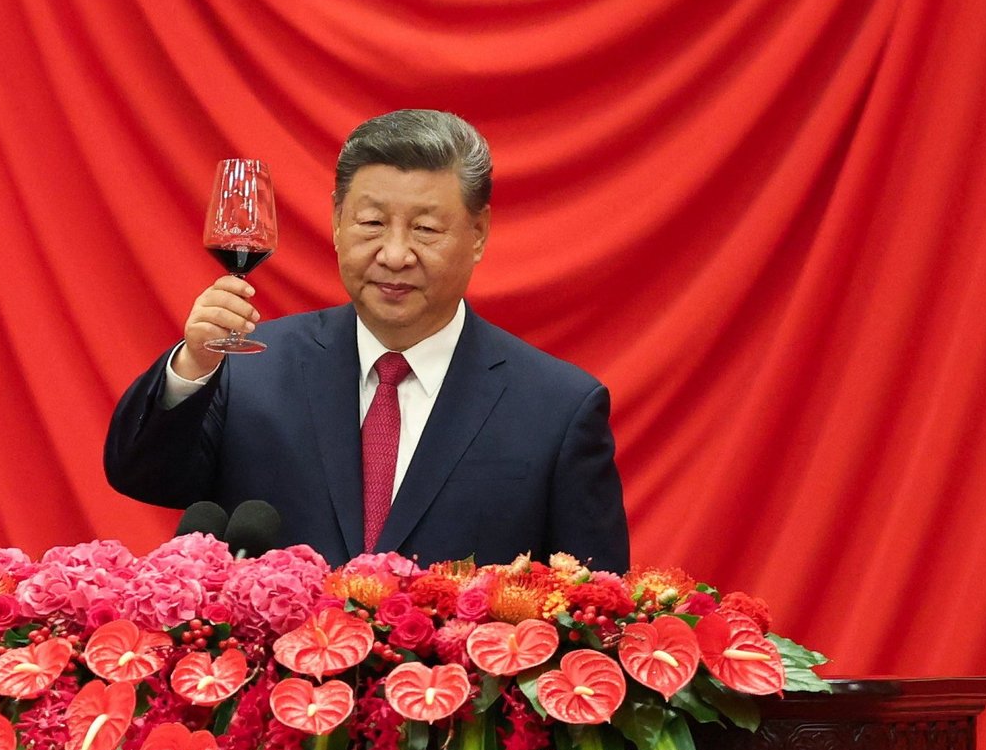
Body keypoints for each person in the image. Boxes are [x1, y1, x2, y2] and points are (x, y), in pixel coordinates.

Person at [105, 109, 629, 571]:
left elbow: (594, 609)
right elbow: (144, 478)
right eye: (372, 222)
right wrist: (194, 366)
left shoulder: (557, 410)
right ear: (337, 222)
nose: (395, 254)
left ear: (478, 234)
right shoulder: (250, 370)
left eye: (426, 229)